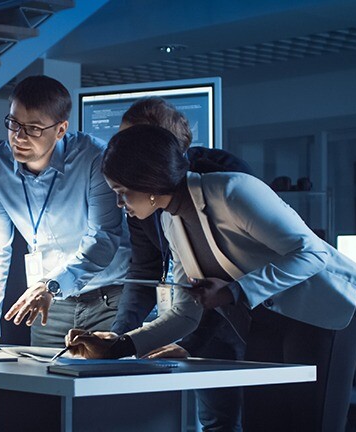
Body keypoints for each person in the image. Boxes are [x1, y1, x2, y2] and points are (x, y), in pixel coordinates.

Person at [71, 125, 356, 432]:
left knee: (311, 422)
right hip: (269, 320)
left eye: (122, 193)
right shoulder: (171, 222)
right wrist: (119, 346)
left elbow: (312, 253)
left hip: (325, 309)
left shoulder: (232, 191)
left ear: (148, 182)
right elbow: (187, 312)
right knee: (262, 421)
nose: (121, 205)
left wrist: (235, 291)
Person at [0, 75, 130, 351]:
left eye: (33, 128)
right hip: (49, 305)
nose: (19, 137)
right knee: (47, 387)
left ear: (60, 130)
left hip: (109, 300)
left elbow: (103, 237)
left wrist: (52, 285)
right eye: (13, 124)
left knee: (107, 388)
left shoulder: (94, 158)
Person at [109, 97, 251, 432]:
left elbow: (232, 276)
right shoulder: (135, 193)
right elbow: (144, 268)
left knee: (231, 418)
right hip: (190, 308)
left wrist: (190, 343)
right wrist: (117, 339)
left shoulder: (222, 179)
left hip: (243, 313)